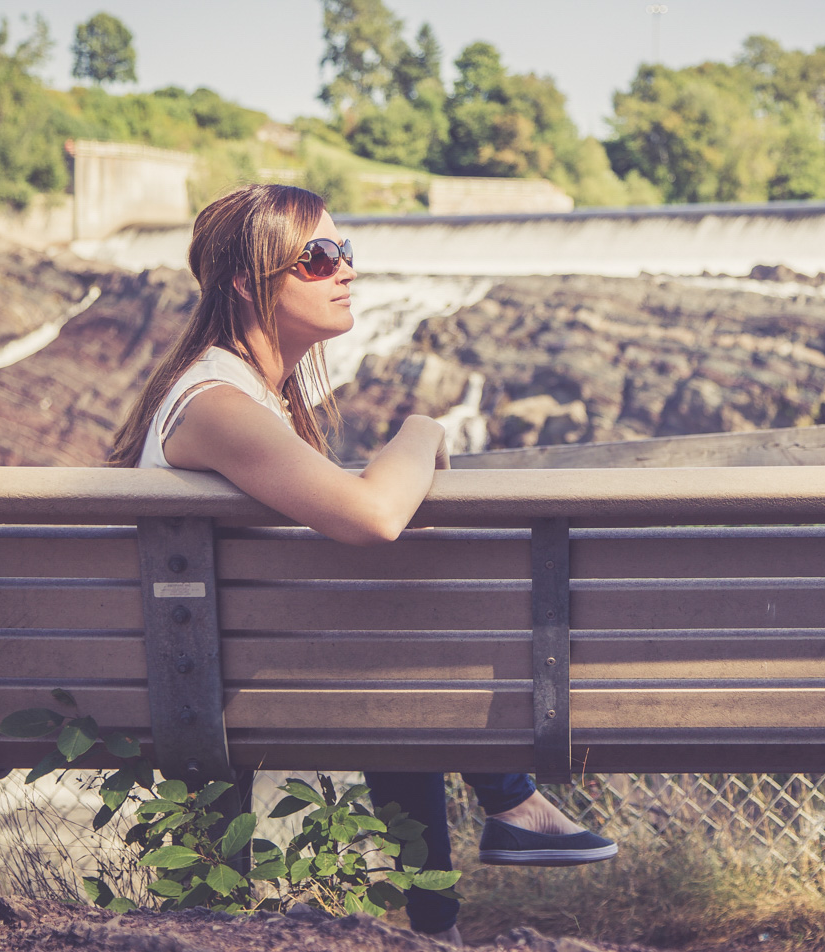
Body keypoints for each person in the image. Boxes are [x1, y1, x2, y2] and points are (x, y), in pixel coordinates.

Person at [109, 184, 615, 943]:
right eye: (317, 258)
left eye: (345, 253)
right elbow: (375, 515)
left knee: (387, 636)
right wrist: (420, 428)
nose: (345, 270)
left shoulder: (240, 395)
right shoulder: (216, 403)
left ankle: (454, 889)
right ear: (248, 281)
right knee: (395, 630)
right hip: (208, 688)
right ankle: (502, 811)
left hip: (216, 667)